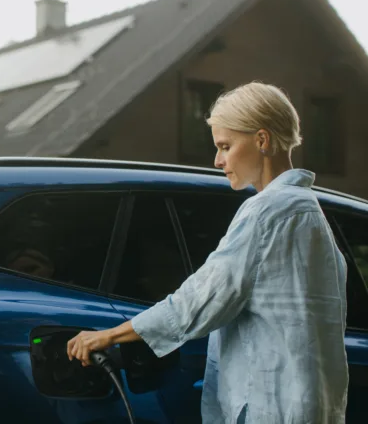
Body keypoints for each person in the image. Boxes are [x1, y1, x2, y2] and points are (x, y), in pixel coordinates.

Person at [67, 82, 349, 423]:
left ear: (262, 140)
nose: (218, 161)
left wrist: (109, 335)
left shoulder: (267, 211)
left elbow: (201, 298)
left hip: (267, 406)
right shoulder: (310, 212)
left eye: (225, 146)